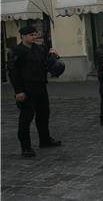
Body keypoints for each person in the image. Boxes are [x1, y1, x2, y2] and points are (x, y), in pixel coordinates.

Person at [8, 26, 62, 158]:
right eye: (31, 35)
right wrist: (18, 91)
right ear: (23, 36)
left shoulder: (39, 49)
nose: (34, 37)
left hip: (40, 86)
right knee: (26, 118)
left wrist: (55, 56)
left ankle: (45, 140)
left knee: (43, 114)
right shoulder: (16, 51)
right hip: (26, 89)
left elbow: (47, 63)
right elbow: (13, 73)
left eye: (35, 34)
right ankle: (25, 147)